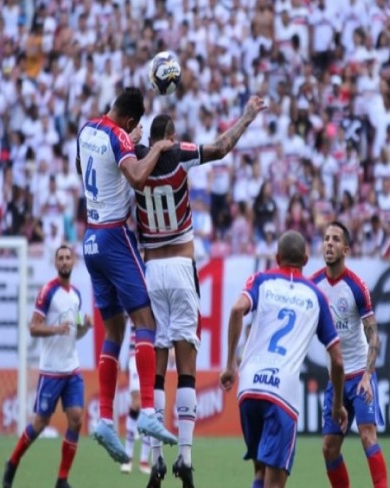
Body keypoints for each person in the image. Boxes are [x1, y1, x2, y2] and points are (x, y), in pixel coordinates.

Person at [134, 95, 267, 488]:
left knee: (156, 372)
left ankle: (156, 460)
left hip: (150, 269)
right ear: (172, 136)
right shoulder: (179, 154)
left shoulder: (135, 162)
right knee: (185, 366)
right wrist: (247, 116)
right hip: (180, 266)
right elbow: (222, 147)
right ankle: (186, 459)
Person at [75, 87, 177, 463]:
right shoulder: (121, 138)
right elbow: (135, 178)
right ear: (133, 122)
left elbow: (82, 167)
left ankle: (104, 418)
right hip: (116, 237)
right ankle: (148, 412)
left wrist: (124, 144)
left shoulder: (87, 130)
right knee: (145, 320)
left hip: (90, 239)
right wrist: (154, 149)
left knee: (114, 333)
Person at [220, 230, 347, 488]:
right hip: (281, 395)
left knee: (259, 471)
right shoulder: (316, 296)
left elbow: (236, 310)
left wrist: (231, 364)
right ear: (306, 258)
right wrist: (337, 406)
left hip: (250, 389)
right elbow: (338, 361)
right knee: (275, 482)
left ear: (277, 257)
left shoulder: (261, 280)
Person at [2, 245, 92, 488]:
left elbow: (74, 334)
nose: (64, 262)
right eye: (60, 258)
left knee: (76, 419)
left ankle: (62, 479)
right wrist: (55, 328)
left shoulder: (76, 294)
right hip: (51, 371)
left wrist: (85, 327)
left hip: (71, 369)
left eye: (68, 258)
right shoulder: (47, 292)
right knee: (40, 424)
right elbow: (33, 327)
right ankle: (12, 463)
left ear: (73, 262)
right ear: (56, 264)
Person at [310, 222, 388, 488]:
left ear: (345, 249)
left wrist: (368, 376)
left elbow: (373, 336)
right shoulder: (314, 286)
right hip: (337, 379)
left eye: (335, 239)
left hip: (360, 375)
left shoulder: (356, 286)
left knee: (368, 436)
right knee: (329, 448)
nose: (328, 243)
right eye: (325, 238)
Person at [120, 323, 151, 475]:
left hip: (154, 355)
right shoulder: (134, 301)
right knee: (137, 402)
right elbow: (126, 331)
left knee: (150, 407)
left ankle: (144, 460)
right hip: (135, 356)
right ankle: (128, 457)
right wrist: (123, 359)